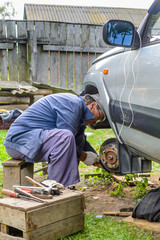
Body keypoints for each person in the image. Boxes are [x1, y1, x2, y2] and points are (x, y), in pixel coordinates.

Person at [3, 92, 106, 187]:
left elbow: (79, 142)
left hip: (32, 141)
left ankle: (64, 186)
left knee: (70, 140)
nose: (95, 123)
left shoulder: (79, 112)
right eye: (99, 117)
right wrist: (84, 156)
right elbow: (66, 141)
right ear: (93, 105)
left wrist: (98, 159)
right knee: (65, 138)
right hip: (19, 142)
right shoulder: (74, 104)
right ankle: (56, 189)